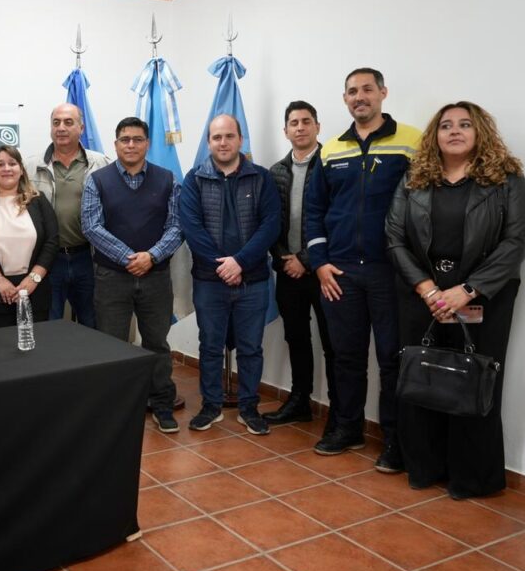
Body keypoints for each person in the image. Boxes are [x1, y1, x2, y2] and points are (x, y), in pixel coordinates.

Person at [386, 101, 525, 499]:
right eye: (446, 125)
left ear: (479, 131)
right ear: (434, 135)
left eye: (465, 124)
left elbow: (517, 240)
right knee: (423, 374)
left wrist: (467, 290)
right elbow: (395, 238)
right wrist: (428, 289)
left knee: (472, 379)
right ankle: (424, 468)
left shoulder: (506, 179)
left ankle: (471, 478)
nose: (455, 131)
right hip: (423, 296)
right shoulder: (414, 178)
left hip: (482, 297)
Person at [304, 68, 421, 471]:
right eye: (352, 91)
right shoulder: (331, 150)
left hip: (391, 272)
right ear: (345, 99)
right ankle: (347, 428)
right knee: (346, 357)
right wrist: (320, 263)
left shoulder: (413, 141)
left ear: (383, 93)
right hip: (340, 274)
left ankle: (395, 441)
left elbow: (425, 205)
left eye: (367, 89)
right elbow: (314, 211)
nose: (360, 97)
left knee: (393, 359)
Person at [180, 115, 281, 435]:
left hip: (253, 280)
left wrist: (240, 262)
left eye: (229, 136)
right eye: (216, 137)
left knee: (251, 348)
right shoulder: (194, 179)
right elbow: (192, 229)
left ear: (240, 139)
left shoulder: (261, 177)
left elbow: (270, 225)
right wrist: (224, 267)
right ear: (208, 142)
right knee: (210, 346)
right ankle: (211, 406)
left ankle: (249, 407)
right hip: (210, 282)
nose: (223, 142)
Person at [82, 117, 183, 434]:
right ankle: (116, 408)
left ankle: (162, 403)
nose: (130, 145)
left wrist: (151, 257)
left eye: (137, 139)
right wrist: (129, 258)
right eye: (124, 139)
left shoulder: (168, 179)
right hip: (112, 278)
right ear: (115, 144)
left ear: (147, 144)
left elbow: (177, 225)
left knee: (157, 343)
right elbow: (91, 226)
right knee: (111, 346)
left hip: (156, 277)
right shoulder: (97, 180)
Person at [265, 101, 336, 426]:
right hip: (287, 272)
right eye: (294, 123)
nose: (300, 127)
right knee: (296, 338)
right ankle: (299, 401)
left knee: (333, 343)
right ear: (286, 131)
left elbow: (336, 221)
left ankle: (340, 411)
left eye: (306, 121)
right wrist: (284, 260)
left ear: (317, 126)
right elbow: (270, 222)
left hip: (323, 271)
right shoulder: (276, 172)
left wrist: (306, 260)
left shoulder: (333, 165)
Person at [24, 103, 110, 327]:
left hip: (88, 257)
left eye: (68, 122)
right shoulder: (29, 166)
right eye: (56, 122)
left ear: (81, 128)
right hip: (47, 260)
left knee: (92, 322)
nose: (61, 128)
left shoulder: (101, 164)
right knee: (48, 323)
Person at [0, 145, 58, 328]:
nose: (6, 168)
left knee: (36, 342)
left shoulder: (38, 199)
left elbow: (52, 241)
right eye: (0, 164)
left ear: (21, 170)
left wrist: (33, 279)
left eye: (12, 163)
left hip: (34, 290)